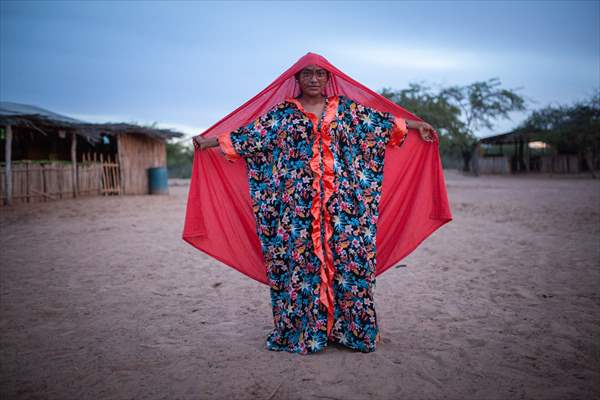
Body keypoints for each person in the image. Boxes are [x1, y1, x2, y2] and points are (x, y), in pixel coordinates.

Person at [191, 62, 438, 354]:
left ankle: (352, 332)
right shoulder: (283, 114)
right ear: (297, 78)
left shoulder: (346, 110)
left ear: (328, 78)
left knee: (350, 263)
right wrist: (207, 143)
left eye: (320, 74)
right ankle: (304, 333)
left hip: (343, 207)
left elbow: (380, 123)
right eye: (307, 74)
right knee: (301, 267)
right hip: (297, 210)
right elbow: (248, 137)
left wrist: (416, 125)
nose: (313, 79)